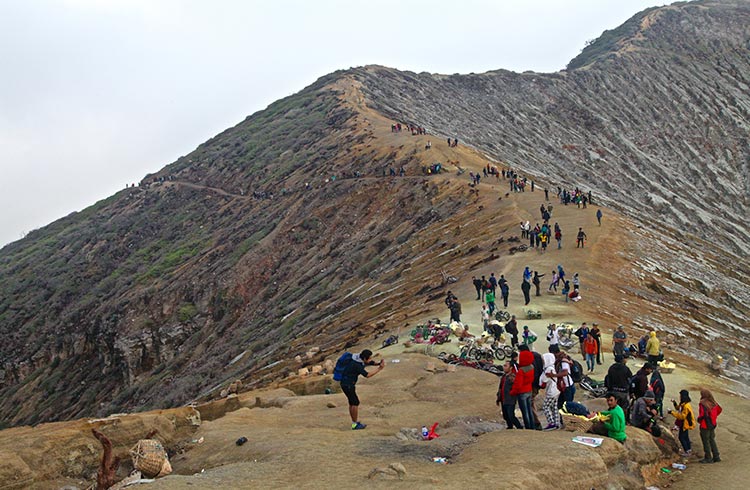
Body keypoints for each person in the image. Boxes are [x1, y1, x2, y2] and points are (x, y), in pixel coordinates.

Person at [339, 349, 384, 430]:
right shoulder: (357, 365)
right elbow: (367, 375)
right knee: (355, 402)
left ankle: (354, 422)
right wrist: (379, 368)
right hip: (348, 385)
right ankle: (354, 424)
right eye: (369, 358)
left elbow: (368, 362)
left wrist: (377, 363)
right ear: (364, 358)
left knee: (352, 402)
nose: (370, 359)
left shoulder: (357, 358)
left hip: (346, 383)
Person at [510, 350, 536, 430]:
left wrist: (512, 392)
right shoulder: (531, 367)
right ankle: (532, 426)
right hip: (529, 390)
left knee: (525, 412)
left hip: (522, 392)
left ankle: (528, 427)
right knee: (529, 410)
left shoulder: (521, 371)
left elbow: (518, 384)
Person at [698, 388, 722, 463]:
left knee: (706, 441)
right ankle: (716, 456)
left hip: (705, 425)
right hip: (713, 424)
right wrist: (714, 418)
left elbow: (702, 414)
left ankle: (708, 457)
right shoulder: (714, 403)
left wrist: (699, 420)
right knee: (712, 439)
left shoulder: (703, 403)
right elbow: (719, 410)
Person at [496, 362, 523, 429]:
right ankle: (510, 426)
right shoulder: (503, 377)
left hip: (510, 399)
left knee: (511, 415)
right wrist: (498, 397)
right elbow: (500, 387)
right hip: (503, 398)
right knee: (505, 415)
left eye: (506, 366)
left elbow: (516, 387)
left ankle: (519, 427)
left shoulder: (512, 377)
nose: (504, 367)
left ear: (510, 368)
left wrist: (512, 393)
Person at [669, 389, 696, 456]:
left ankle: (687, 451)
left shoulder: (686, 406)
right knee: (686, 437)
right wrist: (674, 403)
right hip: (683, 423)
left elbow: (682, 416)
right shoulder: (683, 404)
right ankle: (689, 449)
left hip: (685, 423)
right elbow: (678, 408)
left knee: (681, 437)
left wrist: (671, 412)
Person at [540, 352, 561, 430]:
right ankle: (556, 423)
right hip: (556, 390)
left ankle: (551, 423)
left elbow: (544, 381)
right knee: (554, 407)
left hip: (551, 392)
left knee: (545, 407)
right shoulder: (552, 367)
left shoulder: (548, 369)